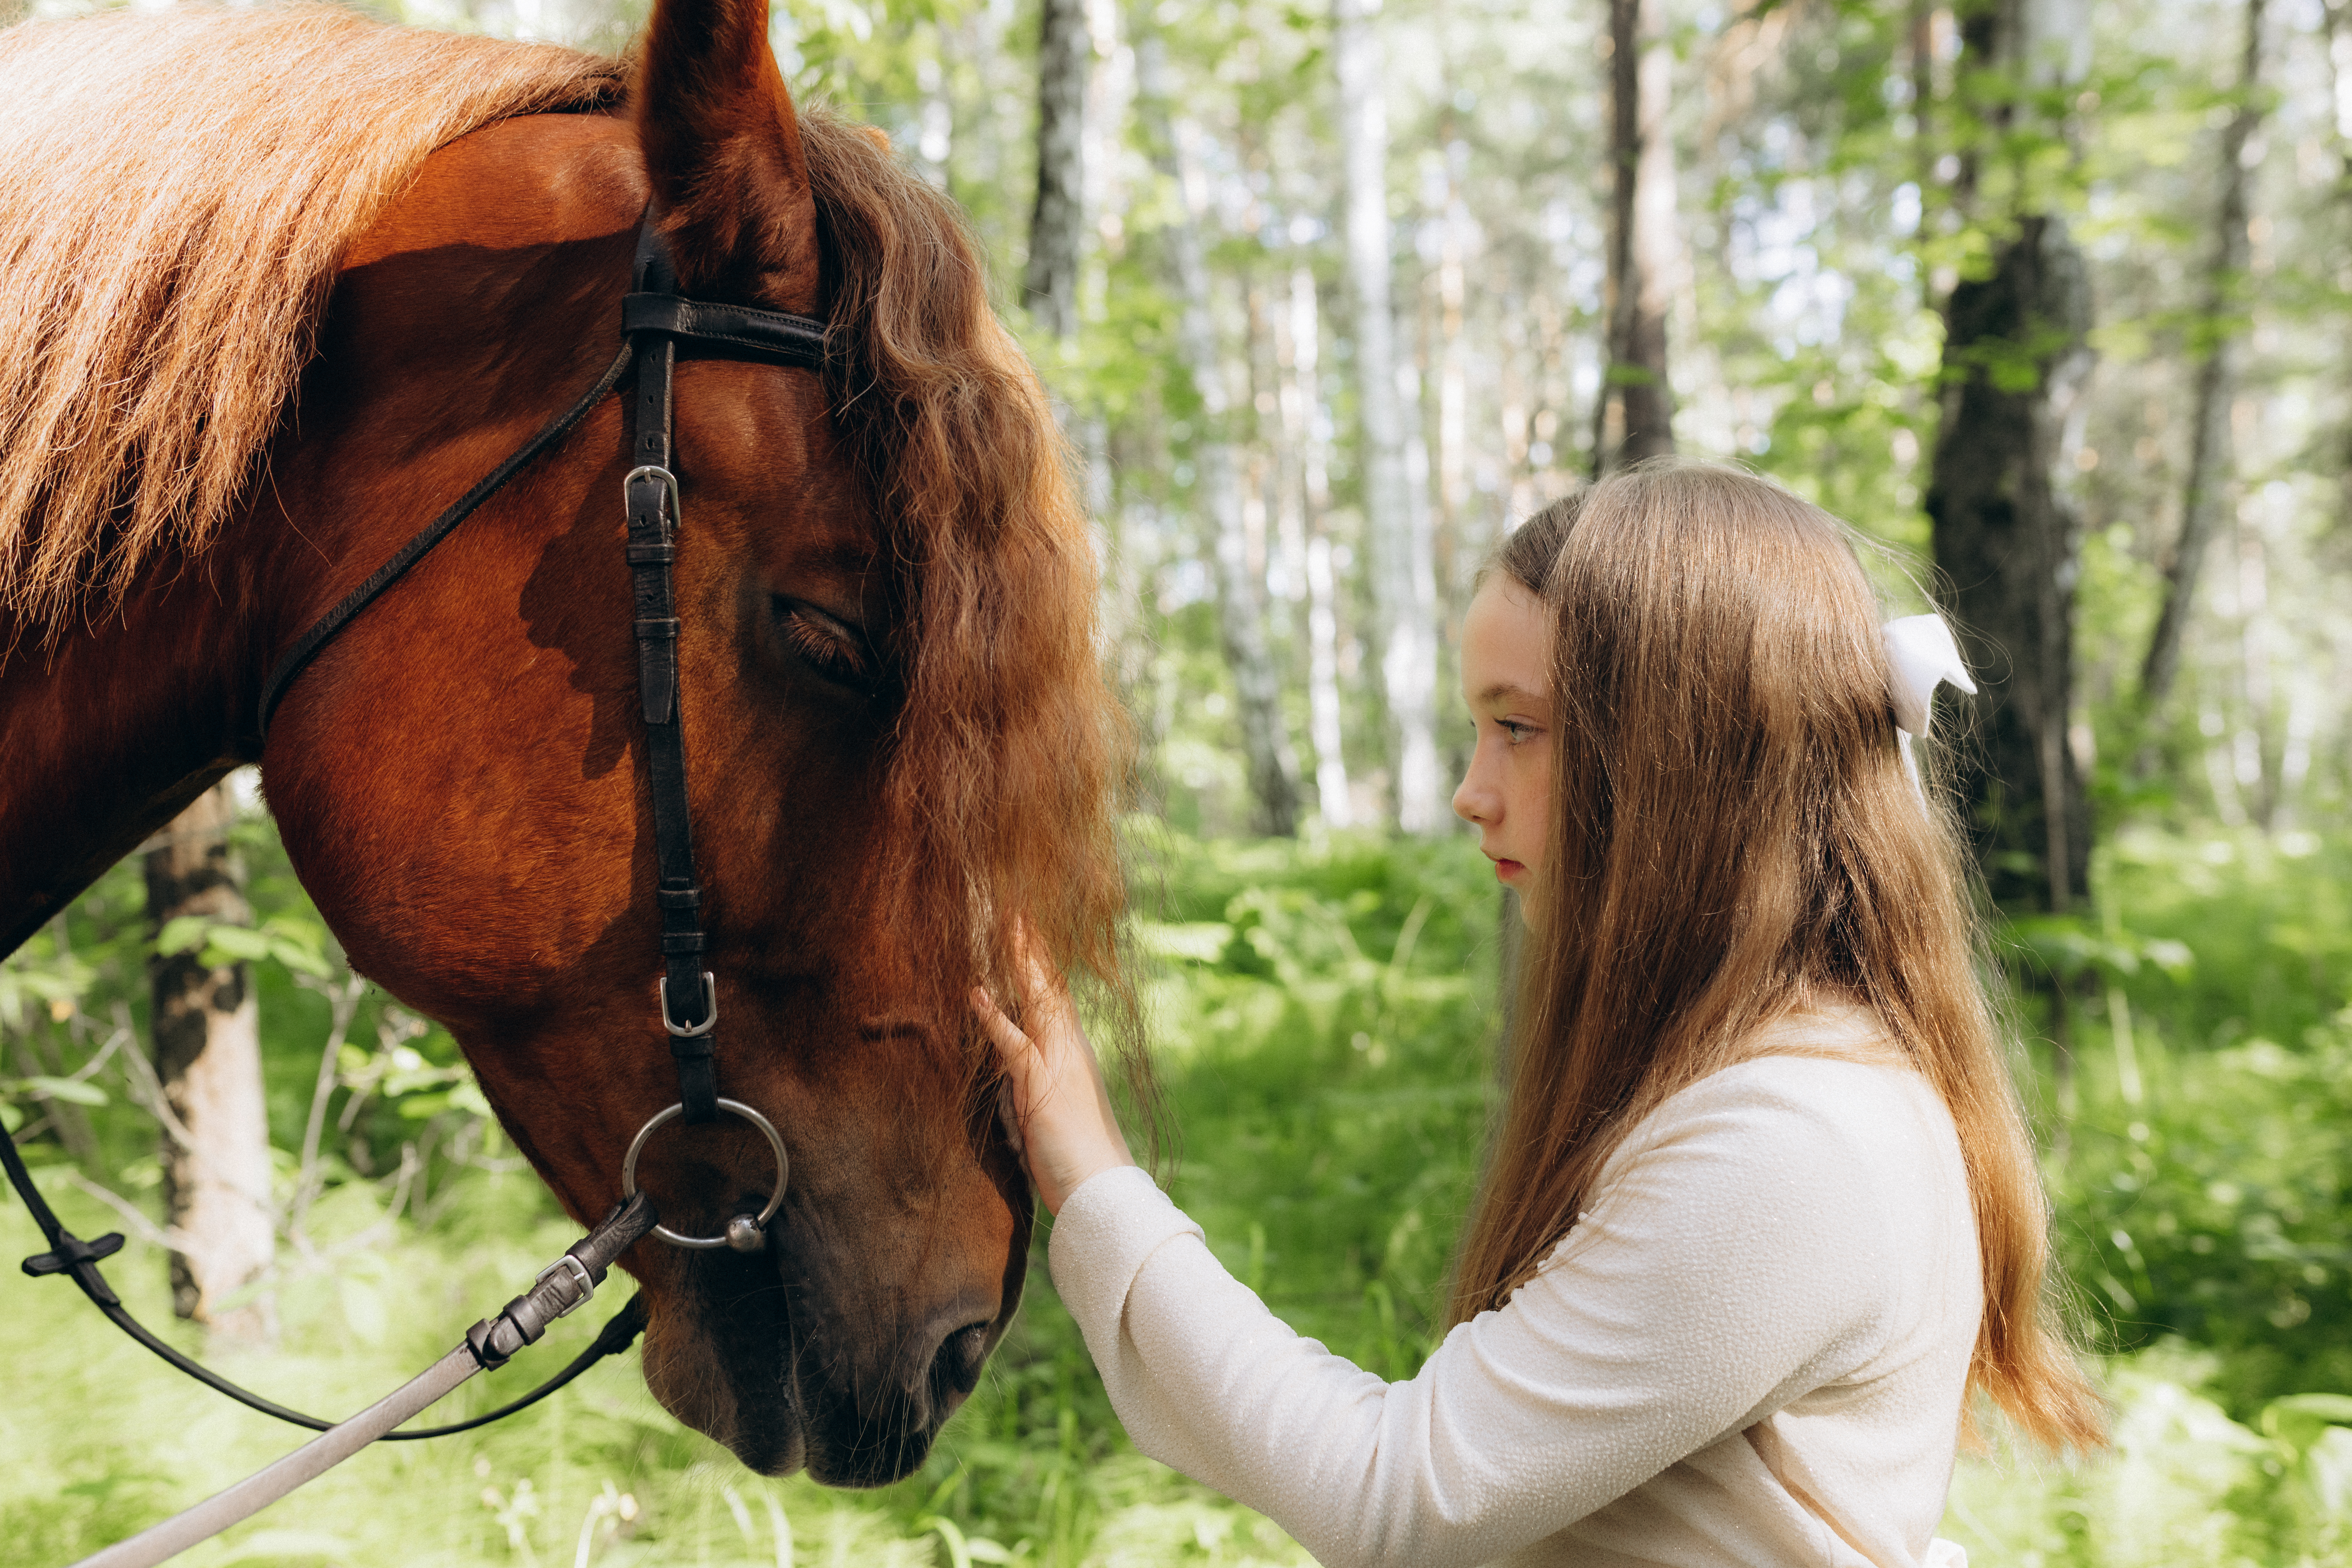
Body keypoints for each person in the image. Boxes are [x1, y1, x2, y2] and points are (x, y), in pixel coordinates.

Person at [973, 461, 2104, 1568]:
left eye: (1518, 728)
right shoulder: (1779, 1082)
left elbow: (1392, 1500)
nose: (1472, 791)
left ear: (1682, 759)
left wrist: (1093, 1175)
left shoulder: (1794, 1143)